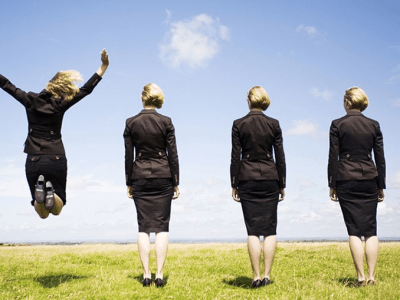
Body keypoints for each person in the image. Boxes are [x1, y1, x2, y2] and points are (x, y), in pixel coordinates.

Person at [0, 49, 109, 219]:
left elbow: (7, 85)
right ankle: (51, 192)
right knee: (57, 209)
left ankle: (41, 190)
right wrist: (103, 67)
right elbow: (86, 90)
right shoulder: (60, 104)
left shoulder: (30, 99)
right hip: (56, 158)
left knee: (42, 213)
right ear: (62, 88)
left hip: (34, 159)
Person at [328, 87, 385, 286]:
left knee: (353, 230)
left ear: (348, 102)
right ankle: (371, 277)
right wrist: (381, 185)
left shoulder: (337, 124)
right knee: (370, 230)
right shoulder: (373, 125)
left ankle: (360, 277)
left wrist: (332, 184)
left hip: (345, 178)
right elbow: (380, 158)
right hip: (370, 177)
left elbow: (333, 156)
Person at [124, 83, 180, 287]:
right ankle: (160, 275)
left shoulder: (131, 122)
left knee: (143, 228)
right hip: (163, 176)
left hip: (139, 175)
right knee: (162, 228)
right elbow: (172, 154)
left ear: (142, 97)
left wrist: (128, 182)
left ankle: (146, 275)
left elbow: (128, 155)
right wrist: (176, 182)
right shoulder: (166, 122)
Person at [230, 86, 286, 288]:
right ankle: (267, 275)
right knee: (270, 230)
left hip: (247, 178)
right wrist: (282, 184)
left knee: (253, 231)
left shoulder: (238, 124)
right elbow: (280, 156)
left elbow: (235, 157)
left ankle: (255, 276)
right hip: (271, 178)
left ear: (248, 100)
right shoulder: (274, 124)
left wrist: (234, 183)